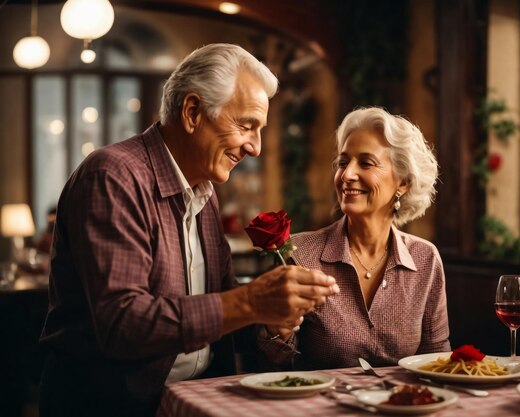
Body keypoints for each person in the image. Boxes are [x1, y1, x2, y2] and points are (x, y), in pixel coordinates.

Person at [38, 43, 339, 417]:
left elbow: (223, 316)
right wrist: (248, 302)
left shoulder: (204, 193)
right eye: (246, 125)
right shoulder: (113, 175)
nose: (256, 147)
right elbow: (122, 324)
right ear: (193, 112)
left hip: (195, 401)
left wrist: (270, 321)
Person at [258, 107, 450, 370]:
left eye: (366, 163)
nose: (347, 175)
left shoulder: (425, 259)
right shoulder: (299, 253)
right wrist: (277, 330)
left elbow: (437, 359)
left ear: (403, 182)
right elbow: (276, 364)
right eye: (343, 162)